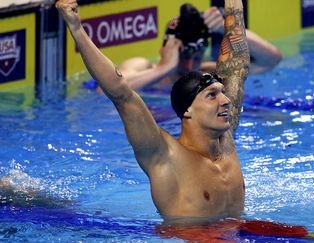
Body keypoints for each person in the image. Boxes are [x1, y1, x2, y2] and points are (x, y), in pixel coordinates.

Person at [56, 0, 249, 224]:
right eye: (212, 95)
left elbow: (236, 66)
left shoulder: (226, 141)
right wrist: (77, 29)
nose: (226, 101)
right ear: (187, 111)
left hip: (237, 232)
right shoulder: (164, 156)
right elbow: (120, 93)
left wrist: (234, 5)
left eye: (222, 92)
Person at [84, 3, 282, 91]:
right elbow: (107, 90)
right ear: (165, 49)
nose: (189, 65)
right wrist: (165, 69)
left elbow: (271, 60)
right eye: (183, 54)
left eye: (196, 56)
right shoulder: (142, 67)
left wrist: (228, 28)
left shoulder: (209, 73)